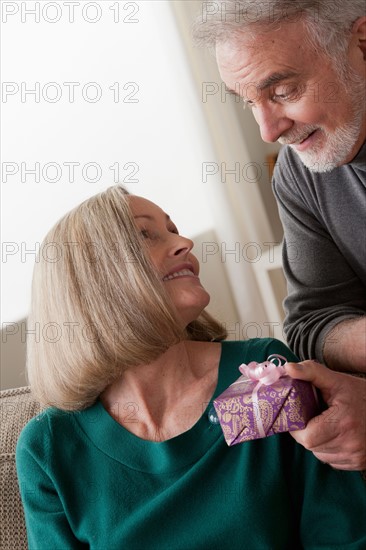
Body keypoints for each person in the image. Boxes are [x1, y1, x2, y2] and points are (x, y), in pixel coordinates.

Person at [16, 186, 366, 549]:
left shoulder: (265, 372)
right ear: (93, 279)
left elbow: (343, 536)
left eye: (173, 229)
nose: (184, 242)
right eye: (145, 234)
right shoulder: (49, 449)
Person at [194, 0, 366, 471]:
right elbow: (310, 325)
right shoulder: (301, 170)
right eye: (249, 101)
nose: (268, 131)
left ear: (362, 43)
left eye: (284, 90)